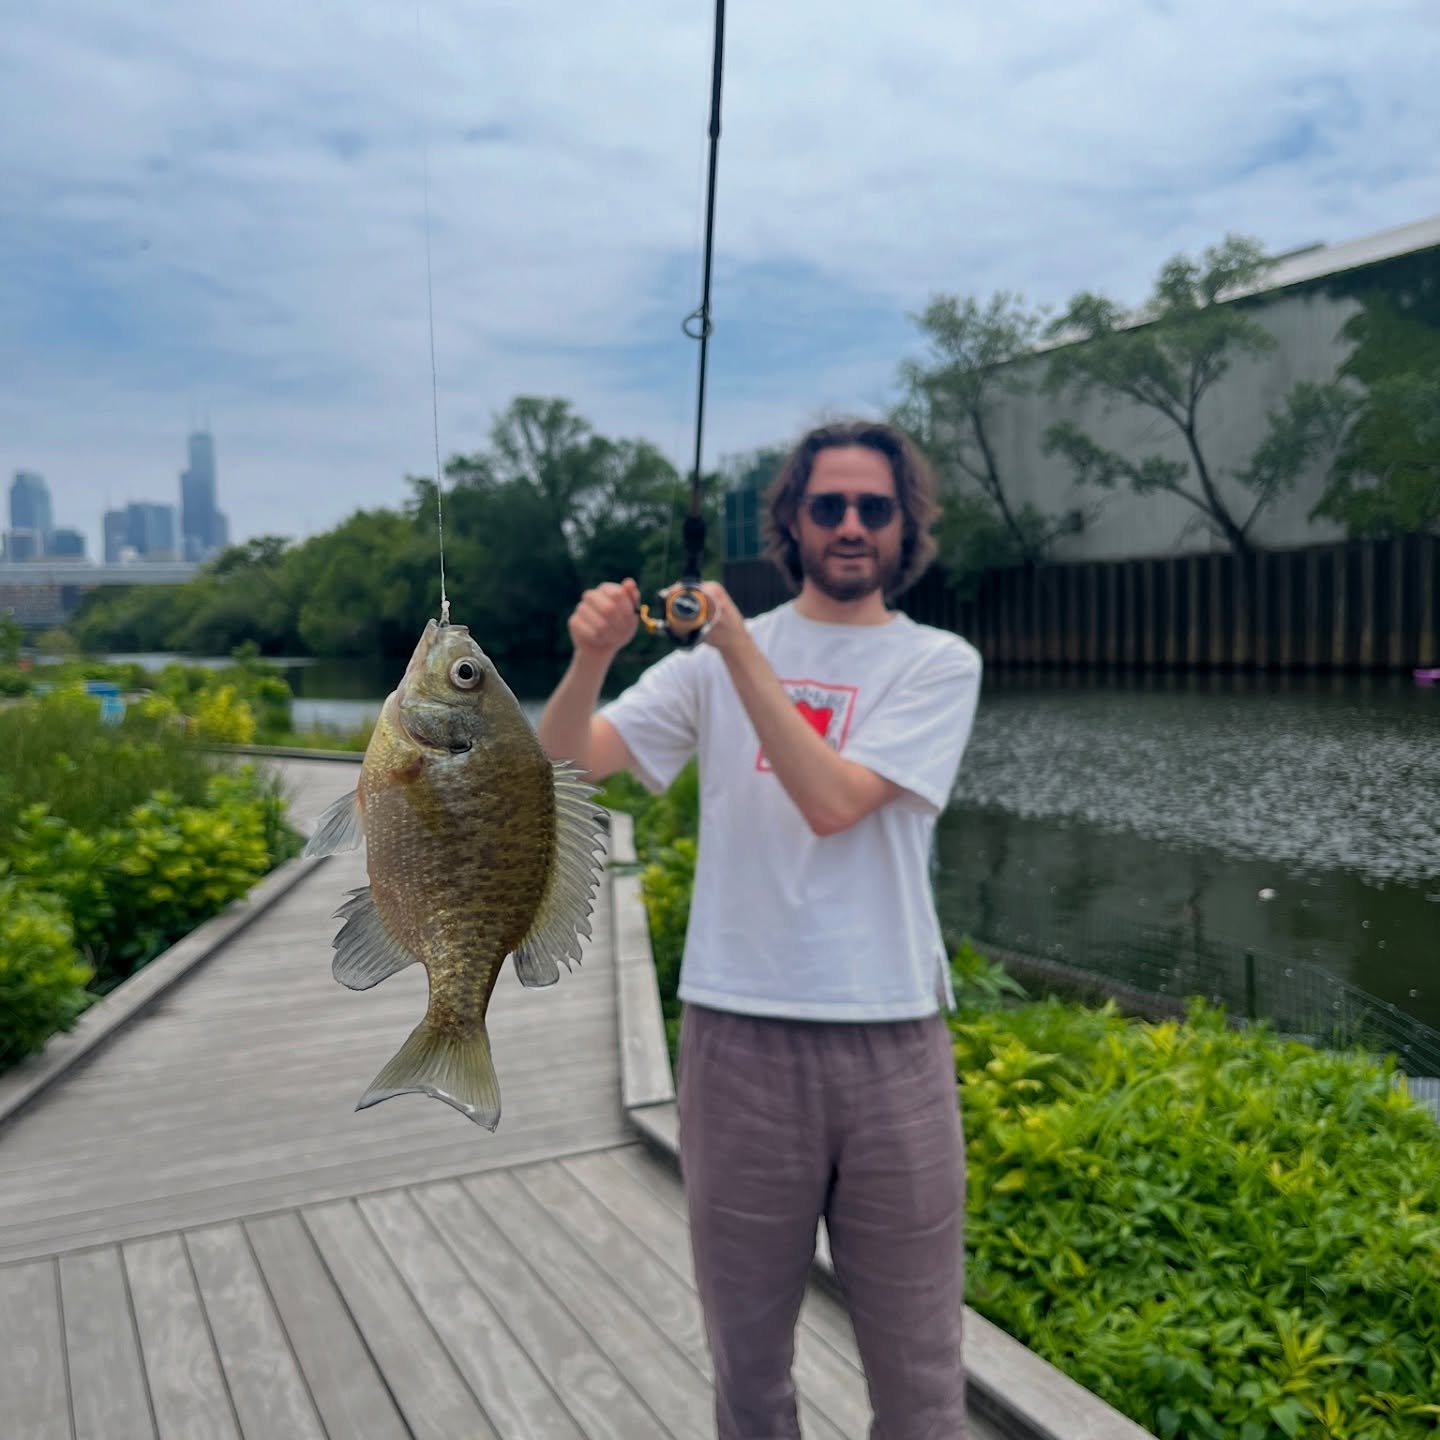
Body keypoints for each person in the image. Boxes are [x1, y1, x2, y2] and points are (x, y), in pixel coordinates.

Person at [537, 418, 982, 1440]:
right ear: (793, 519)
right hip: (738, 1042)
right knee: (749, 1374)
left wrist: (736, 646)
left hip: (893, 1041)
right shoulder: (703, 672)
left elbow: (833, 801)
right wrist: (589, 661)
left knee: (922, 1388)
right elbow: (563, 764)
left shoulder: (937, 665)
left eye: (877, 506)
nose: (853, 525)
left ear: (907, 524)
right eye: (829, 505)